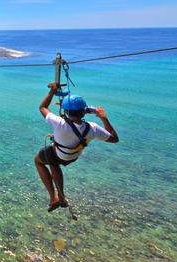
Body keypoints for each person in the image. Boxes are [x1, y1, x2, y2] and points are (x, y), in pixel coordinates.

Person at [34, 83, 119, 212]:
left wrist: (52, 92)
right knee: (53, 162)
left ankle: (53, 197)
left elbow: (42, 107)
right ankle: (61, 198)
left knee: (39, 161)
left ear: (66, 111)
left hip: (59, 154)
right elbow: (114, 139)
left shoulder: (59, 123)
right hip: (72, 157)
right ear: (84, 112)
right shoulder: (93, 128)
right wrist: (103, 118)